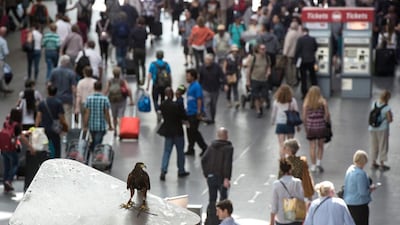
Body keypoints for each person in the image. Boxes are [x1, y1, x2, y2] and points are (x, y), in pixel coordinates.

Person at [201, 127, 234, 225]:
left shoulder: (211, 146)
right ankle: (221, 219)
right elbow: (227, 164)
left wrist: (207, 174)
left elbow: (204, 159)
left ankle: (210, 220)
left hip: (211, 177)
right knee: (223, 200)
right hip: (222, 177)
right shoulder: (228, 148)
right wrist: (227, 178)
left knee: (212, 199)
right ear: (226, 136)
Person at [158, 87, 190, 181]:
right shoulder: (176, 105)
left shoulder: (163, 105)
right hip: (178, 131)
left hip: (168, 131)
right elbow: (183, 115)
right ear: (172, 94)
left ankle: (163, 170)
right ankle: (181, 170)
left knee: (167, 151)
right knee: (180, 152)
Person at [1, 108, 35, 192]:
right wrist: (30, 147)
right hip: (12, 148)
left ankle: (6, 185)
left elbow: (14, 133)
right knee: (15, 164)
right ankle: (9, 181)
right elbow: (21, 137)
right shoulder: (17, 125)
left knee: (7, 166)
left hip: (3, 148)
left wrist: (24, 132)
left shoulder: (6, 122)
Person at [35, 85, 68, 158]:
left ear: (48, 92)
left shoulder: (42, 103)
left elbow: (38, 117)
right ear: (56, 92)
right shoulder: (58, 103)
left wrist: (36, 128)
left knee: (44, 146)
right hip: (54, 128)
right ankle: (56, 160)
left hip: (44, 127)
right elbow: (62, 118)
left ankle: (45, 159)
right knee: (56, 146)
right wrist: (65, 126)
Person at [343, 150, 376, 225]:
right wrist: (371, 189)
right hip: (359, 204)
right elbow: (363, 192)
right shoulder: (361, 174)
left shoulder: (350, 170)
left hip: (349, 203)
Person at [302, 86, 330, 172]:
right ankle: (319, 162)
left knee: (312, 146)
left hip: (311, 126)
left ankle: (313, 165)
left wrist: (305, 126)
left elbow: (304, 117)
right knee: (321, 146)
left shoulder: (307, 103)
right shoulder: (323, 102)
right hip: (321, 126)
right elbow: (327, 115)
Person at [83, 81, 113, 157]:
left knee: (93, 141)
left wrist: (85, 125)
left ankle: (91, 155)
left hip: (92, 125)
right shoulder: (105, 99)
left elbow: (87, 113)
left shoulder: (89, 99)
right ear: (101, 88)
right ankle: (95, 157)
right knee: (98, 142)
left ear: (94, 87)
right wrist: (110, 125)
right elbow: (107, 113)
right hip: (101, 126)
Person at [270, 158, 304, 225]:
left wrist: (271, 222)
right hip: (296, 217)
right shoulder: (297, 182)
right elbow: (302, 199)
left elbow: (274, 205)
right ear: (291, 169)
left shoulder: (276, 184)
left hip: (282, 218)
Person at [271, 84, 300, 158]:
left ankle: (283, 163)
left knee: (282, 145)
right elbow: (296, 112)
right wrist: (298, 125)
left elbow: (274, 113)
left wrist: (273, 121)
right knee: (291, 146)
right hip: (290, 124)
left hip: (280, 124)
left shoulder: (276, 101)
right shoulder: (292, 101)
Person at [104, 67, 134, 136]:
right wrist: (131, 100)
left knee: (114, 116)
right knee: (121, 116)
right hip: (122, 100)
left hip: (112, 100)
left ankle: (115, 130)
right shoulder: (122, 81)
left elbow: (106, 90)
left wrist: (103, 97)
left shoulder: (110, 81)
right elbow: (128, 89)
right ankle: (121, 130)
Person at [49, 55, 77, 129]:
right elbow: (73, 88)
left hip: (56, 97)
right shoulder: (71, 73)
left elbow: (49, 84)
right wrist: (76, 99)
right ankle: (67, 133)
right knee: (67, 115)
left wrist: (50, 95)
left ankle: (58, 130)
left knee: (56, 115)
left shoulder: (54, 71)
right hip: (67, 98)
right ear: (68, 63)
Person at [184, 68, 208, 156]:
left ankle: (204, 147)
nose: (186, 78)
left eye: (188, 76)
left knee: (194, 131)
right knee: (189, 131)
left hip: (194, 113)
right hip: (189, 112)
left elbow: (199, 99)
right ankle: (191, 148)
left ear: (193, 77)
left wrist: (198, 111)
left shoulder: (197, 86)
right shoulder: (190, 86)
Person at [198, 54, 226, 124]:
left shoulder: (217, 67)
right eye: (206, 60)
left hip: (215, 89)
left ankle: (212, 118)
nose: (207, 62)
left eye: (208, 61)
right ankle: (209, 118)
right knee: (207, 103)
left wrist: (225, 84)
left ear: (212, 61)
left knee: (213, 105)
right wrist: (199, 87)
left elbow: (222, 76)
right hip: (205, 88)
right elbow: (200, 78)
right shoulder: (202, 67)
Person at [245, 43, 271, 118]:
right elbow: (248, 70)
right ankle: (258, 110)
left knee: (264, 95)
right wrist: (248, 81)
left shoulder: (267, 57)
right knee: (256, 96)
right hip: (255, 79)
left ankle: (259, 105)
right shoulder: (253, 58)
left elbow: (268, 66)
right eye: (262, 49)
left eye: (265, 49)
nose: (264, 50)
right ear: (258, 50)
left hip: (264, 79)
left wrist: (268, 71)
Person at [369, 90, 392, 171]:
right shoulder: (386, 107)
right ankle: (382, 164)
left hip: (372, 128)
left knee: (374, 145)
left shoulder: (374, 104)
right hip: (382, 129)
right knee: (383, 145)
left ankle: (373, 162)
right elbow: (389, 119)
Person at [145, 50, 171, 121]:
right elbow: (169, 75)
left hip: (156, 84)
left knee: (155, 99)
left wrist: (147, 85)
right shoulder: (166, 64)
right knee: (163, 98)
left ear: (156, 56)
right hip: (165, 85)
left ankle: (157, 110)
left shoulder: (153, 64)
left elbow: (150, 75)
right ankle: (162, 110)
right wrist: (170, 85)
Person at [295, 27, 318, 98]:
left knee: (303, 78)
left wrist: (296, 60)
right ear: (308, 32)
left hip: (303, 61)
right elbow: (316, 48)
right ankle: (315, 92)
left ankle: (304, 93)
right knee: (313, 77)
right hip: (311, 60)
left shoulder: (300, 40)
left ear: (302, 32)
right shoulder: (312, 39)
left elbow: (297, 50)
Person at [282, 21, 302, 87]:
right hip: (296, 54)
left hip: (289, 53)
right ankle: (294, 80)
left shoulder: (289, 34)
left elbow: (287, 44)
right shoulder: (299, 34)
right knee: (294, 68)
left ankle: (290, 81)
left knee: (289, 68)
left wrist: (285, 53)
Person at [131, 17, 148, 85]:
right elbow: (146, 37)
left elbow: (131, 38)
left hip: (136, 49)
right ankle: (143, 78)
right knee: (143, 65)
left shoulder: (134, 30)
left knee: (136, 65)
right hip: (142, 49)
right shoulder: (144, 30)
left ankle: (138, 80)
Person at [0, 26, 12, 93]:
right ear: (4, 33)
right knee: (1, 75)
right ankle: (4, 88)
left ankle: (4, 88)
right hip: (0, 60)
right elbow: (6, 52)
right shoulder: (3, 41)